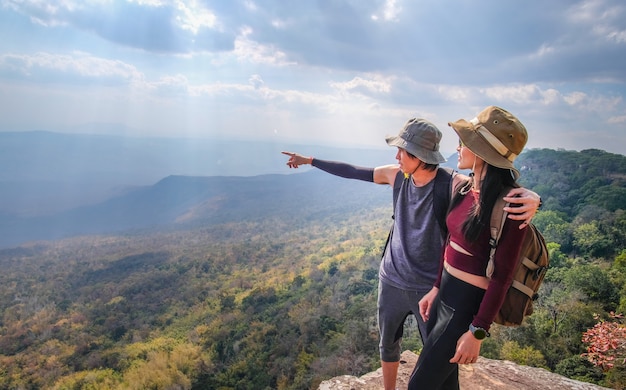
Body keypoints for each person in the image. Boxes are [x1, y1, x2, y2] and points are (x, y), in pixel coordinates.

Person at [282, 117, 540, 390]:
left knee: (438, 361)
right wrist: (310, 160)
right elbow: (354, 170)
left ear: (419, 155)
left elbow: (494, 195)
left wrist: (534, 200)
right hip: (395, 278)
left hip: (429, 287)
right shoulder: (397, 177)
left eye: (402, 151)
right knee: (389, 343)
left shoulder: (453, 185)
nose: (397, 157)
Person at [409, 106, 533, 389]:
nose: (458, 147)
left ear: (482, 151)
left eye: (465, 142)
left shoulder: (510, 205)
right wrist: (437, 288)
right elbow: (449, 243)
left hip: (464, 307)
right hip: (444, 298)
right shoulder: (466, 189)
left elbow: (502, 277)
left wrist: (477, 331)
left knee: (420, 385)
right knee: (445, 383)